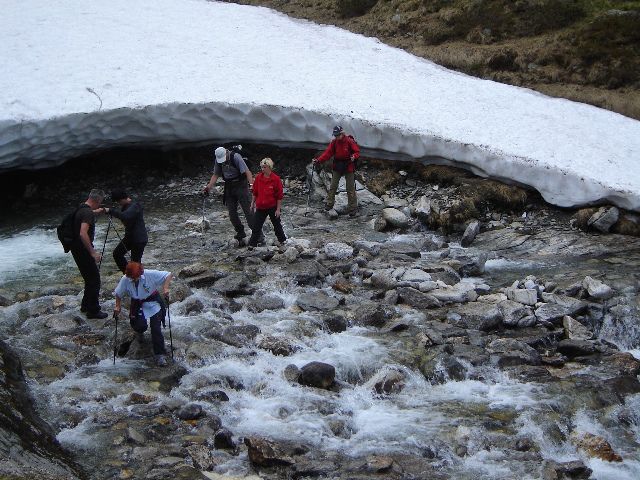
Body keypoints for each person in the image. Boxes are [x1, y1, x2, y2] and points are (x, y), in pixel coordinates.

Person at [113, 262, 172, 366]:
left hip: (153, 302)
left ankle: (160, 355)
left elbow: (168, 274)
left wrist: (165, 288)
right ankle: (140, 332)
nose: (134, 280)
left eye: (136, 277)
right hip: (137, 304)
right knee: (139, 326)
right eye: (132, 277)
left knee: (156, 329)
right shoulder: (125, 279)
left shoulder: (149, 274)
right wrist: (118, 306)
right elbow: (118, 293)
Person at [203, 146, 263, 247]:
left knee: (249, 212)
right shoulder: (218, 160)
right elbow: (216, 175)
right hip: (229, 186)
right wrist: (208, 187)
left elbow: (247, 172)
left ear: (226, 153)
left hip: (241, 185)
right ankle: (240, 232)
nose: (222, 161)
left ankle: (259, 236)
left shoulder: (236, 157)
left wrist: (252, 186)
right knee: (232, 213)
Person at [71, 189, 108, 319]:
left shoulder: (82, 208)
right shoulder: (87, 213)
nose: (100, 204)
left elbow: (86, 214)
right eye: (101, 202)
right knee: (95, 280)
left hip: (76, 249)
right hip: (84, 251)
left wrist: (96, 212)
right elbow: (83, 232)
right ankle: (93, 311)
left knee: (89, 279)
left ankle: (85, 305)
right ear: (98, 200)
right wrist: (93, 252)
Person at [96, 189, 148, 274]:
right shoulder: (126, 206)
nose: (118, 203)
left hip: (139, 239)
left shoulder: (135, 206)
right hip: (129, 237)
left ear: (123, 198)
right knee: (117, 254)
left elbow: (125, 216)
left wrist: (110, 211)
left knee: (135, 263)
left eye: (118, 201)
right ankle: (128, 274)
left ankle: (137, 279)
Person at [313, 125, 360, 216]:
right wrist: (318, 160)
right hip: (337, 166)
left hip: (348, 166)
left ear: (342, 133)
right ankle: (329, 204)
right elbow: (328, 153)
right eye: (335, 135)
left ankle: (352, 208)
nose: (337, 137)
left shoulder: (349, 141)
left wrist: (354, 157)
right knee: (333, 186)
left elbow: (357, 152)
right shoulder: (334, 143)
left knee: (350, 188)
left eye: (338, 135)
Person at [248, 158, 286, 248]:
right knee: (256, 226)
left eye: (264, 167)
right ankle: (252, 245)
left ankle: (282, 241)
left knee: (277, 225)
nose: (262, 169)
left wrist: (278, 209)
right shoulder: (258, 178)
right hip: (260, 207)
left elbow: (279, 196)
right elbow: (255, 192)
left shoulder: (276, 179)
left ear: (269, 167)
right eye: (261, 167)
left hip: (272, 206)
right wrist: (252, 203)